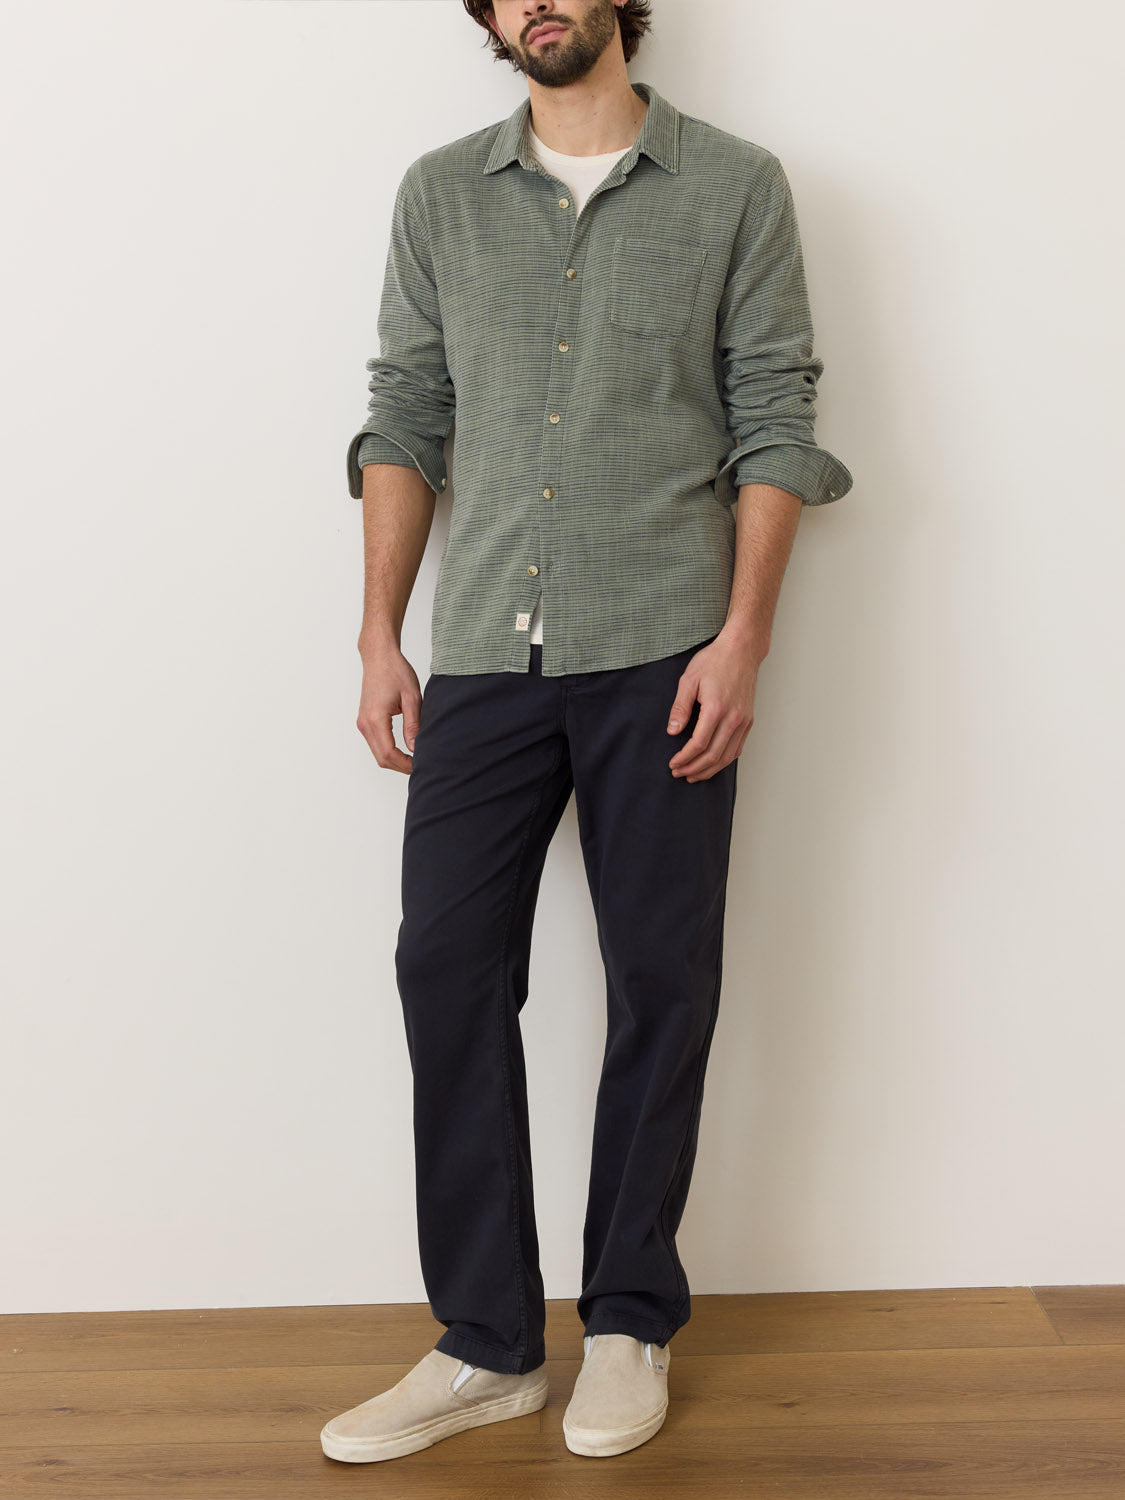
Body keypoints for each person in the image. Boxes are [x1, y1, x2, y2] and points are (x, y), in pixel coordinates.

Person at [321, 0, 852, 1466]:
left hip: (667, 644)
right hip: (488, 642)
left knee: (661, 980)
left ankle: (627, 1321)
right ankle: (487, 1342)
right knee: (445, 965)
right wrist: (381, 631)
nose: (533, 1)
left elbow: (773, 413)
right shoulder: (440, 192)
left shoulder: (734, 185)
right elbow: (404, 414)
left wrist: (741, 638)